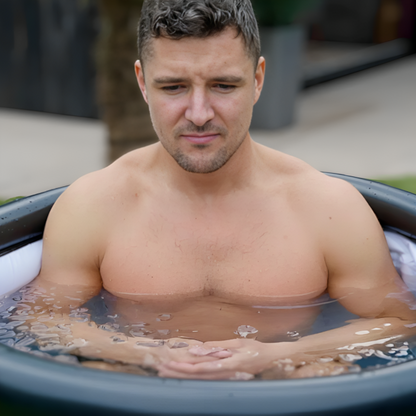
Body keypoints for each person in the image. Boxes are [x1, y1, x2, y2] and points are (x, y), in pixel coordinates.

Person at [31, 0, 416, 380]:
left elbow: (398, 322)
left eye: (223, 85)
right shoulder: (93, 205)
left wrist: (281, 355)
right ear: (142, 83)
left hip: (277, 399)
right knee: (104, 369)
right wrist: (136, 353)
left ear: (258, 79)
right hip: (143, 394)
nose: (199, 114)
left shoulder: (328, 209)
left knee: (318, 371)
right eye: (174, 87)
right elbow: (41, 318)